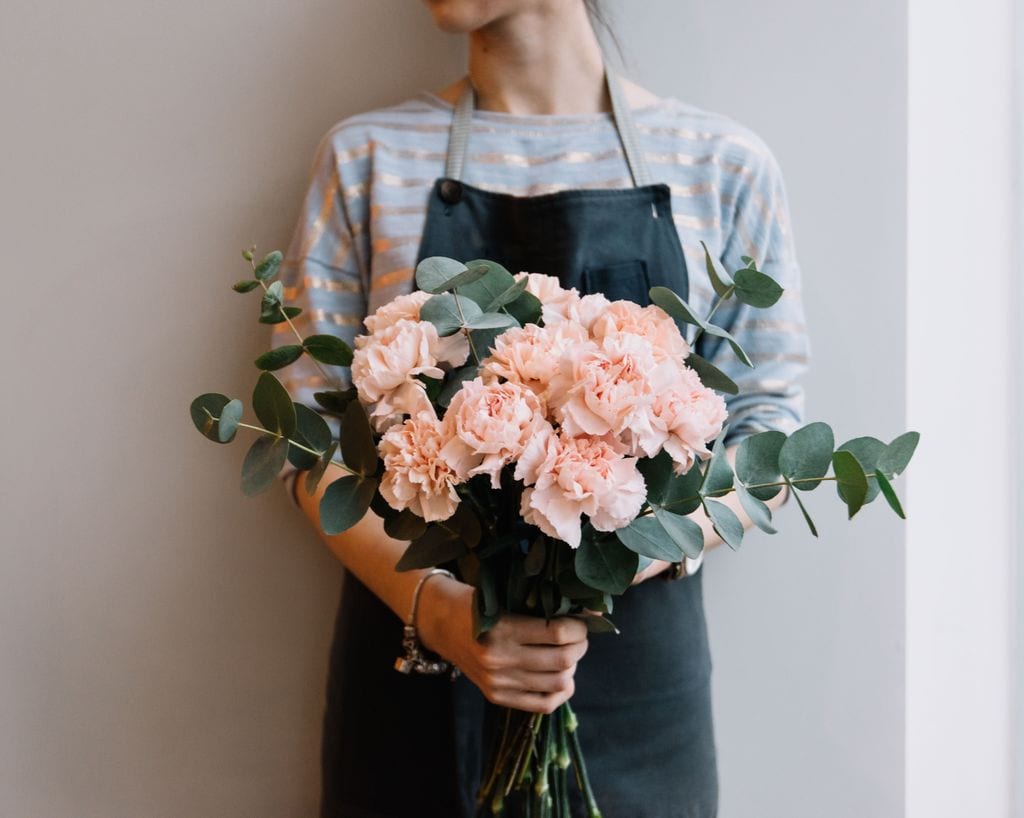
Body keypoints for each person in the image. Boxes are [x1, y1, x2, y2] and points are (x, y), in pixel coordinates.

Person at [271, 1, 810, 815]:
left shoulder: (721, 164)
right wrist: (441, 613)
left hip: (636, 692)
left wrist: (613, 552)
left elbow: (771, 434)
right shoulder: (368, 158)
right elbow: (307, 442)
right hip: (414, 679)